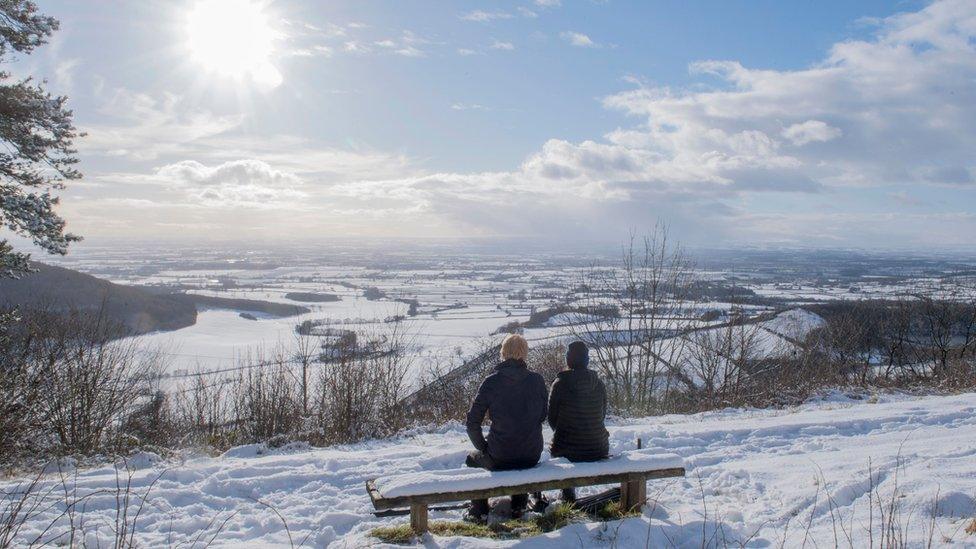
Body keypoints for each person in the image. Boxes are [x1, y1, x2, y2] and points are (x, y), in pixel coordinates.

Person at [464, 333, 548, 522]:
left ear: (503, 353)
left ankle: (479, 508)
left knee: (472, 459)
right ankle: (518, 504)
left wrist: (484, 447)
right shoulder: (537, 380)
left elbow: (472, 423)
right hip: (531, 454)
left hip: (499, 456)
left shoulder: (491, 382)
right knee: (519, 456)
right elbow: (543, 415)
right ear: (525, 354)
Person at [546, 340, 609, 503]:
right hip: (598, 448)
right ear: (587, 360)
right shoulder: (599, 384)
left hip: (567, 450)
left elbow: (552, 418)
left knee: (561, 444)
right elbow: (601, 415)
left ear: (569, 359)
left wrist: (565, 431)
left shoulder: (560, 384)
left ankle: (568, 494)